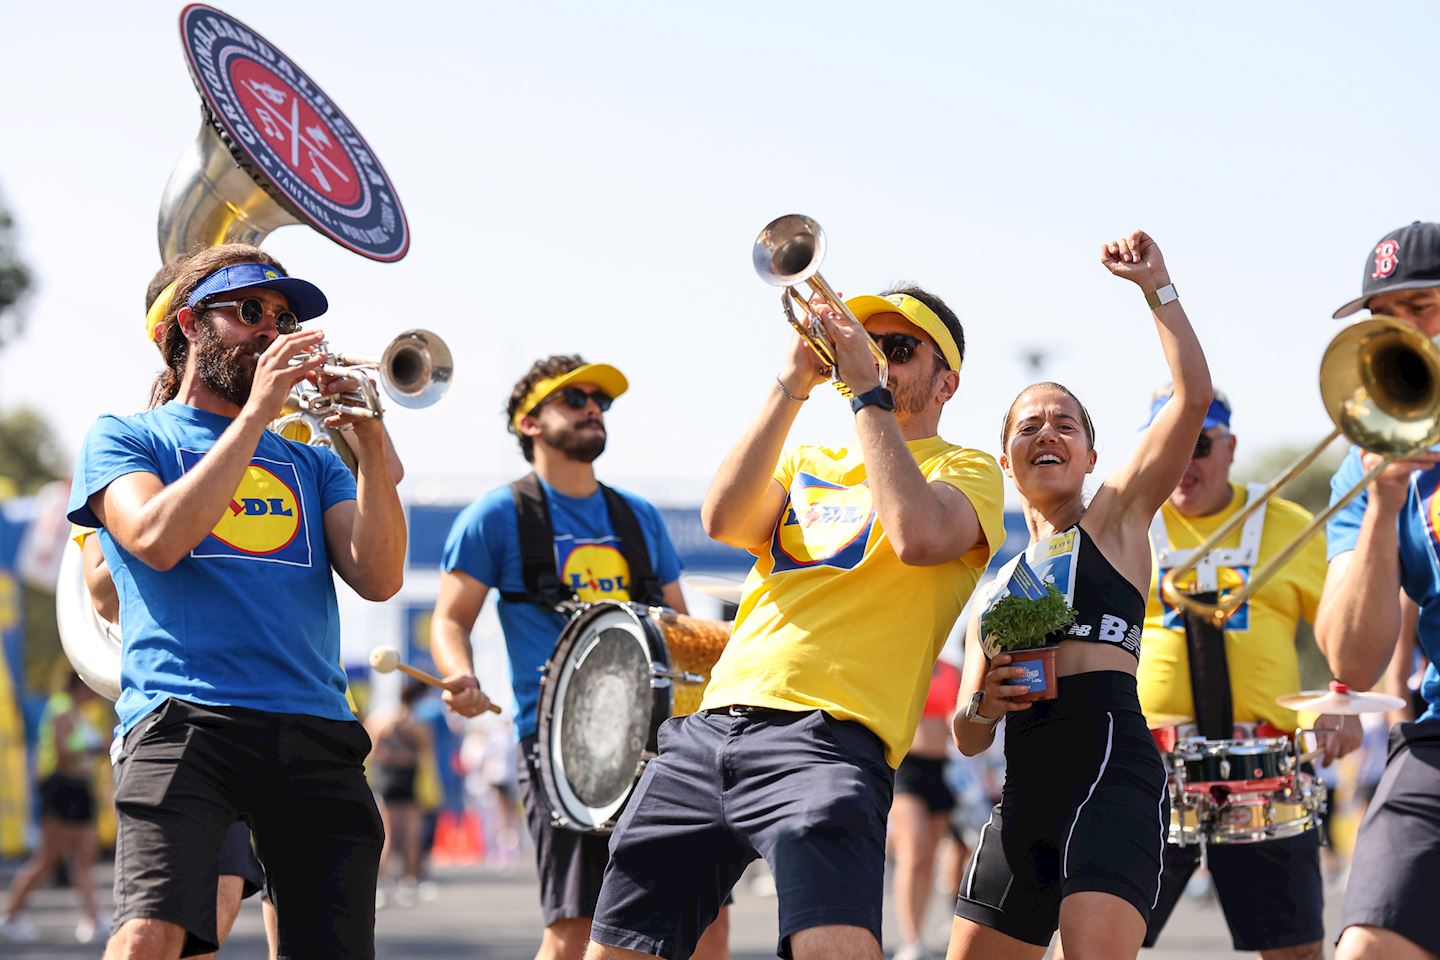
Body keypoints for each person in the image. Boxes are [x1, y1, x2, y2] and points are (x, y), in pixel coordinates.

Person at [584, 284, 1006, 960]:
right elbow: (724, 520)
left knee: (830, 948)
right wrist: (793, 381)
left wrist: (869, 395)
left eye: (898, 350)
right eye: (867, 346)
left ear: (945, 383)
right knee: (617, 949)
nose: (875, 359)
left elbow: (917, 536)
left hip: (828, 739)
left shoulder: (967, 468)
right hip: (710, 726)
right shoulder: (810, 458)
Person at [68, 242, 406, 960]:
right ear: (189, 326)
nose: (270, 330)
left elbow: (379, 577)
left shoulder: (313, 461)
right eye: (250, 311)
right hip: (185, 720)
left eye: (282, 319)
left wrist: (370, 442)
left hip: (315, 726)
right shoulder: (127, 437)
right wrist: (255, 417)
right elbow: (156, 538)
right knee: (153, 935)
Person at [948, 230, 1209, 960]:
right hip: (1024, 796)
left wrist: (1157, 287)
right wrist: (984, 703)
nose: (1047, 433)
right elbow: (968, 735)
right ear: (1007, 460)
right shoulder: (996, 587)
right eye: (1028, 426)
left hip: (1111, 773)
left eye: (1065, 424)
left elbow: (1192, 398)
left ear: (1091, 456)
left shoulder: (1117, 517)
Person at [430, 355, 729, 960]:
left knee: (703, 919)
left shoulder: (637, 516)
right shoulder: (497, 515)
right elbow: (450, 618)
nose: (593, 407)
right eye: (575, 399)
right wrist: (458, 673)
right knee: (576, 930)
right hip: (564, 752)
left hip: (661, 744)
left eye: (601, 401)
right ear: (529, 422)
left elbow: (685, 632)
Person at [1058, 387, 1359, 960]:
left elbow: (1343, 624)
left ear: (1230, 447)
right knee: (1095, 943)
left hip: (1265, 766)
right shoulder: (1123, 523)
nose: (1183, 460)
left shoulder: (1287, 523)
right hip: (1144, 763)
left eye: (1198, 443)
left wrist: (1342, 699)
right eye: (1167, 442)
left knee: (1296, 949)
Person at [1315, 220, 1440, 960]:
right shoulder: (1364, 469)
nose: (1406, 338)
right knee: (1366, 948)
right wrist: (1385, 501)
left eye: (1422, 311)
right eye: (1385, 323)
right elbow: (1351, 664)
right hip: (1435, 736)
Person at [0, 673, 105, 944]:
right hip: (63, 791)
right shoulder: (61, 710)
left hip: (76, 791)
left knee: (84, 858)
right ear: (79, 685)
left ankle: (92, 920)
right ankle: (11, 916)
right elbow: (61, 755)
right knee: (47, 859)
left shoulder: (75, 711)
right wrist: (94, 749)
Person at [891, 658, 963, 960]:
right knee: (915, 852)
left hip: (942, 768)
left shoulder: (950, 670)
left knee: (933, 855)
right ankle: (910, 940)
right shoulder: (902, 664)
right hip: (906, 769)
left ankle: (919, 934)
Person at [368, 679, 433, 907]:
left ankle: (402, 881)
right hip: (396, 782)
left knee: (403, 835)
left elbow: (373, 751)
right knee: (398, 835)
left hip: (399, 782)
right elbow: (423, 754)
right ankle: (396, 881)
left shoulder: (386, 722)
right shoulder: (408, 724)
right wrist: (402, 757)